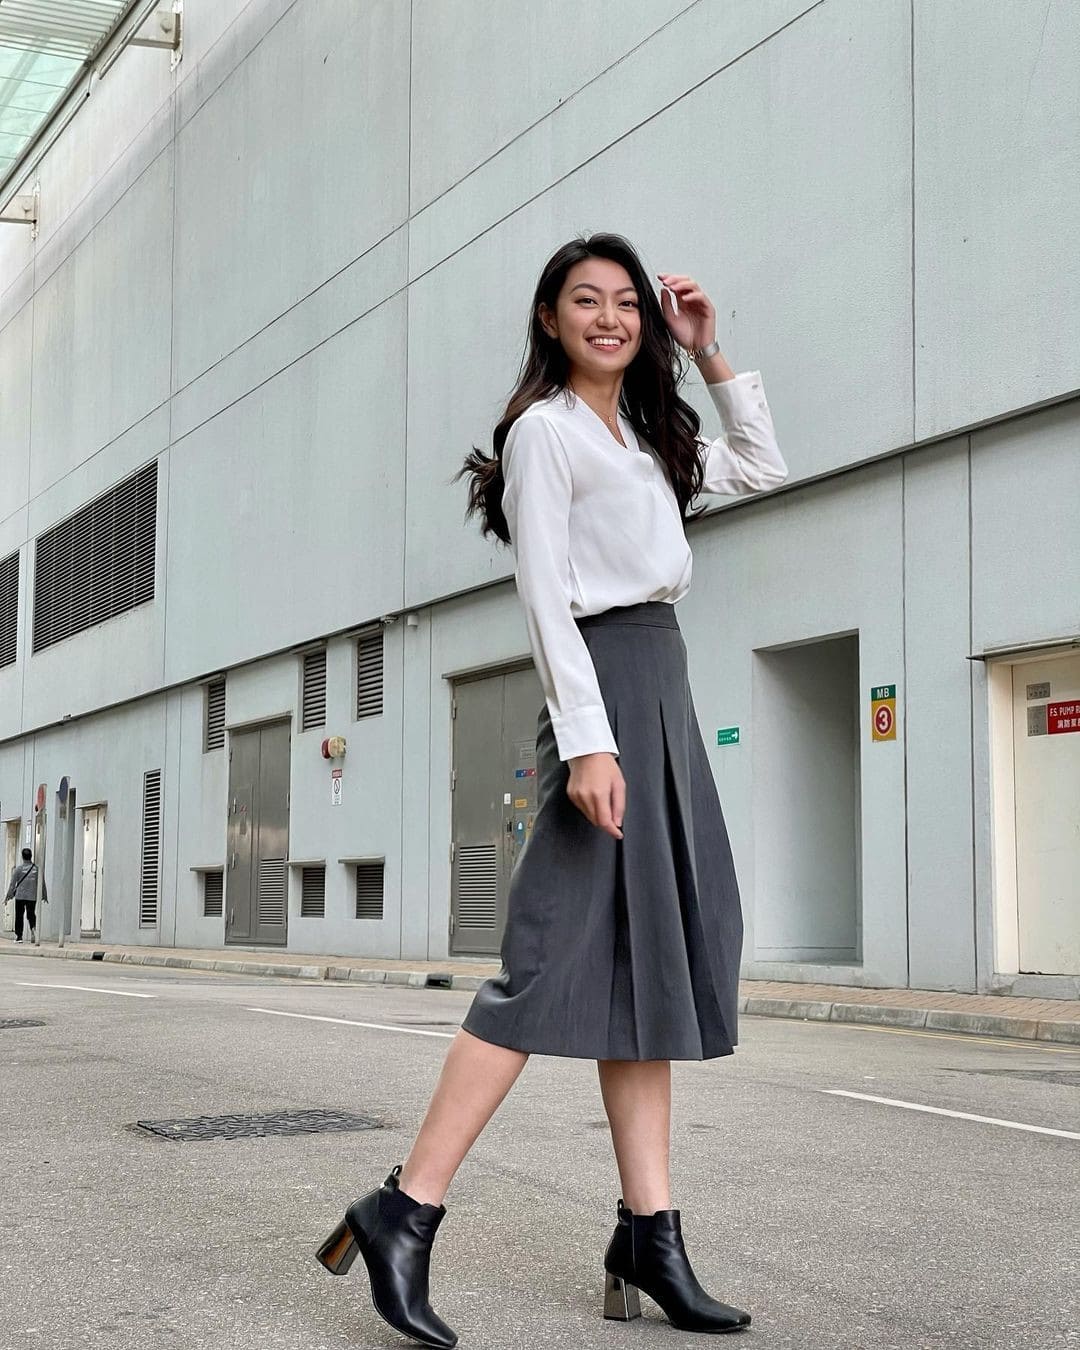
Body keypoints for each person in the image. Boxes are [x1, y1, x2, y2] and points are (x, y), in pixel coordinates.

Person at [316, 233, 788, 1347]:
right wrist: (588, 743)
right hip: (606, 697)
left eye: (630, 304)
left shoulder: (649, 438)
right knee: (543, 965)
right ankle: (403, 1209)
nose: (612, 319)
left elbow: (762, 464)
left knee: (654, 969)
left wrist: (712, 355)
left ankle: (650, 1232)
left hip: (661, 689)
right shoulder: (544, 434)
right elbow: (543, 597)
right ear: (549, 317)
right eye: (589, 301)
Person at [6, 847, 47, 943]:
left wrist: (9, 895)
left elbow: (12, 884)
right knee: (31, 914)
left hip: (20, 896)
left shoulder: (18, 869)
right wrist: (44, 895)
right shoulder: (36, 869)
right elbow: (42, 883)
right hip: (32, 896)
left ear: (22, 857)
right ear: (31, 856)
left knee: (19, 915)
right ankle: (33, 928)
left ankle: (19, 936)